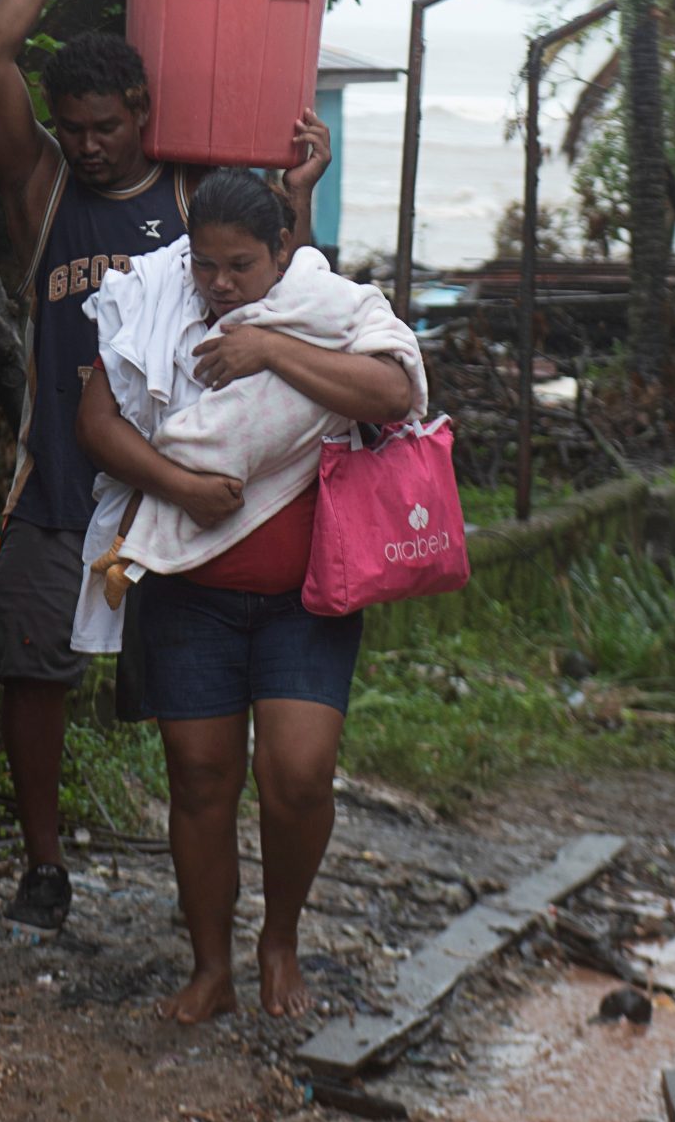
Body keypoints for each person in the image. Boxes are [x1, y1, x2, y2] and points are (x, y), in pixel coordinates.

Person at [0, 0, 328, 938]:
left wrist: (299, 194)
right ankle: (44, 869)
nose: (88, 144)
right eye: (73, 126)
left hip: (163, 487)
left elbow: (276, 285)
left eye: (106, 125)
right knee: (31, 670)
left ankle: (202, 904)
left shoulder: (188, 200)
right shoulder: (41, 194)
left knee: (189, 710)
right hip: (56, 482)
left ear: (143, 116)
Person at [73, 170, 422, 1022]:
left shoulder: (328, 309)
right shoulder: (159, 308)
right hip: (192, 595)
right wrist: (178, 486)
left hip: (308, 598)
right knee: (198, 780)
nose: (221, 284)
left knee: (298, 776)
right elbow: (97, 423)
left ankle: (281, 941)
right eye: (205, 265)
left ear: (283, 255)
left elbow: (395, 390)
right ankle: (209, 966)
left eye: (240, 266)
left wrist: (268, 349)